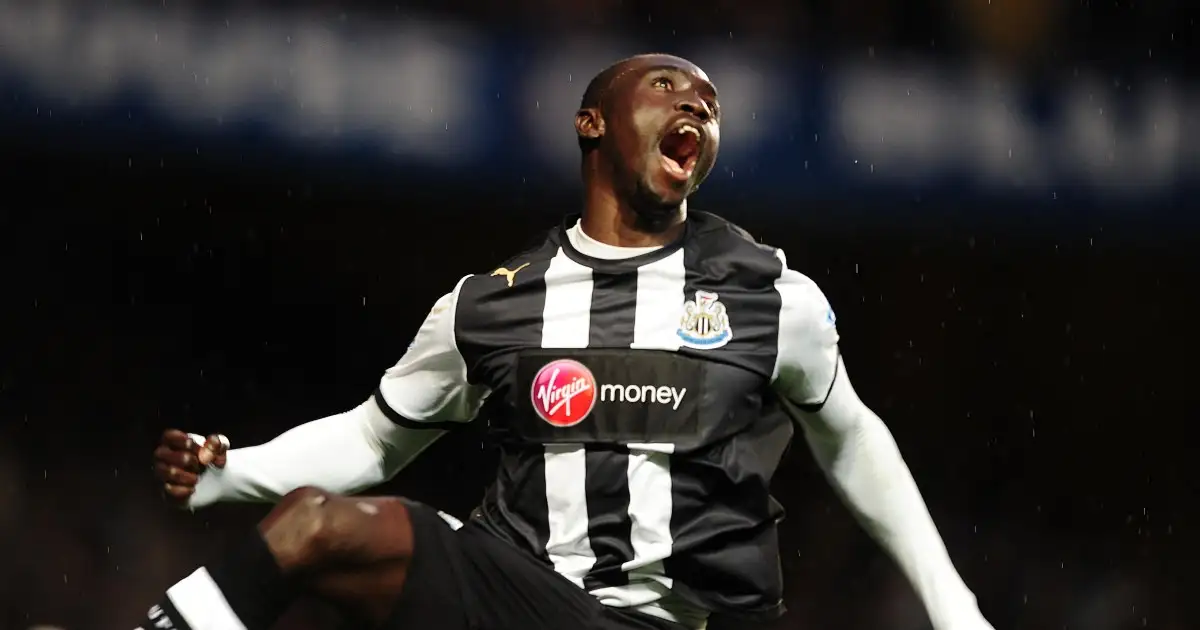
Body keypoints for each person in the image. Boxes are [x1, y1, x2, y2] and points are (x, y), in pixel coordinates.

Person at [138, 54, 995, 630]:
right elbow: (372, 436)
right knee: (311, 527)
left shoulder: (771, 298)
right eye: (666, 86)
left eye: (710, 102)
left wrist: (953, 606)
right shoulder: (491, 306)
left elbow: (851, 440)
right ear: (592, 124)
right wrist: (230, 476)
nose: (696, 103)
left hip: (659, 621)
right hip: (516, 594)